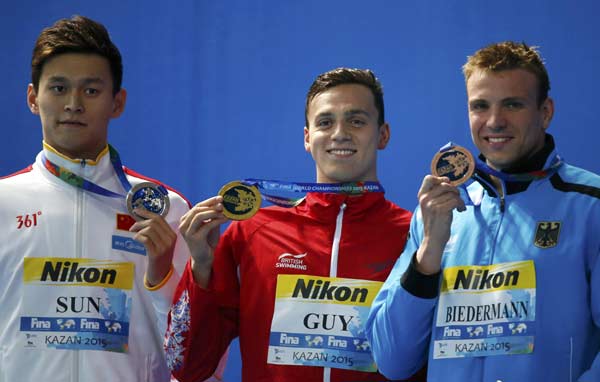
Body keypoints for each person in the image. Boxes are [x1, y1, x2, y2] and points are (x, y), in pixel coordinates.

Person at [164, 68, 426, 381]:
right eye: (325, 122)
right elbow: (186, 366)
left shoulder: (415, 235)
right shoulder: (252, 232)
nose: (340, 133)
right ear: (307, 137)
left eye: (356, 121)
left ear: (383, 134)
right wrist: (201, 269)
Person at [0, 15, 224, 381]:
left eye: (91, 90)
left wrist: (163, 276)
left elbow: (197, 352)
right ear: (32, 98)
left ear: (117, 102)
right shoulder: (2, 203)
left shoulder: (166, 210)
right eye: (58, 88)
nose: (73, 103)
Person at [366, 41, 600, 381]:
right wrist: (429, 254)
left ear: (545, 111)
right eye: (480, 106)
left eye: (513, 105)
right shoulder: (439, 211)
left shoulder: (590, 206)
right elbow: (392, 361)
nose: (494, 121)